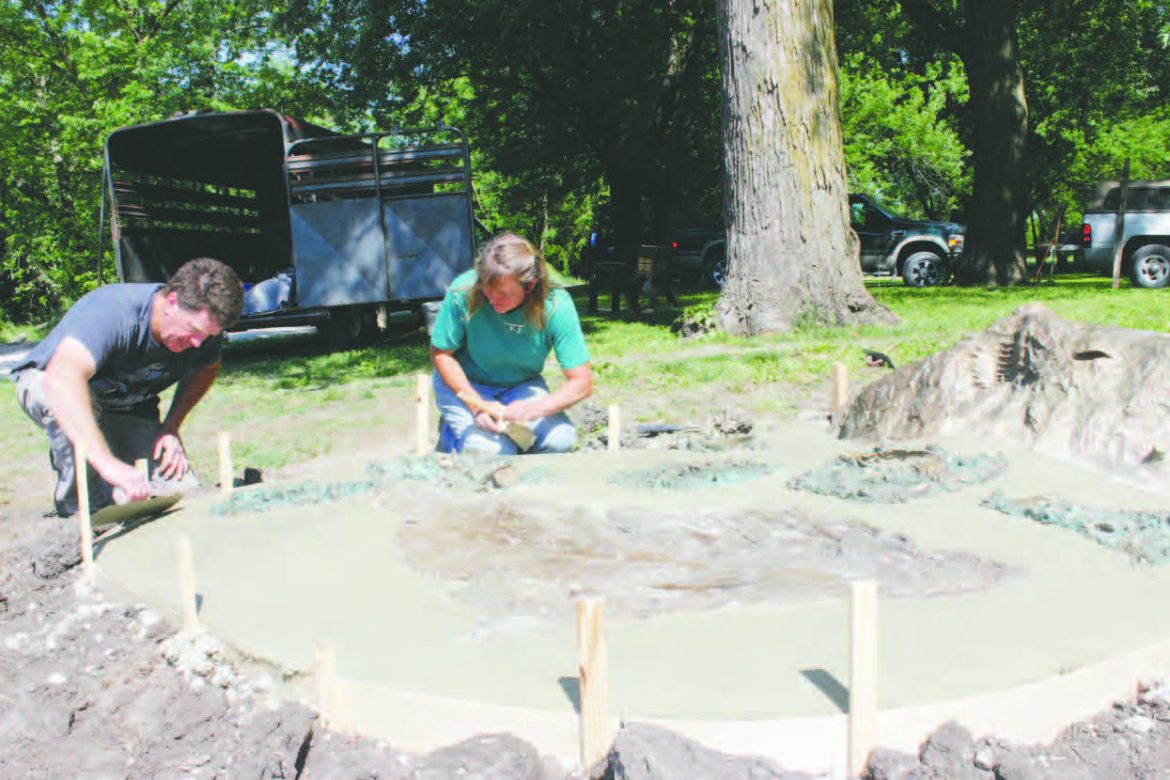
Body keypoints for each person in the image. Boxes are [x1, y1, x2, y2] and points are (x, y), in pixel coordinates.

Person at [11, 257, 243, 517]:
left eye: (207, 336)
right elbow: (61, 379)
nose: (198, 342)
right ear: (171, 302)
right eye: (192, 330)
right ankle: (80, 513)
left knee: (178, 495)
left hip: (125, 406)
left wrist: (171, 426)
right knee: (59, 398)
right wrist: (107, 464)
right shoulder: (113, 312)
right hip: (53, 384)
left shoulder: (203, 337)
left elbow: (206, 367)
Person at [430, 233, 593, 454]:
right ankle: (452, 437)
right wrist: (477, 407)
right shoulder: (465, 290)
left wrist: (532, 409)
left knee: (560, 440)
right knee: (493, 452)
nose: (491, 298)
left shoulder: (555, 306)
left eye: (503, 293)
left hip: (520, 385)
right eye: (486, 289)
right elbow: (441, 354)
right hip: (467, 383)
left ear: (530, 285)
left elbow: (581, 382)